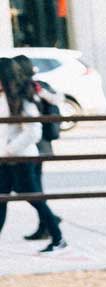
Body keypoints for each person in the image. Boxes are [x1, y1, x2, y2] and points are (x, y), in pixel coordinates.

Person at [0, 57, 64, 252]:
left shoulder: (23, 96)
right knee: (1, 199)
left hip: (21, 158)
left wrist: (8, 150)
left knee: (34, 199)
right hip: (7, 159)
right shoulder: (5, 97)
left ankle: (58, 238)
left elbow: (33, 131)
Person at [14, 53, 62, 240]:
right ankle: (47, 223)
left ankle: (49, 222)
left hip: (35, 144)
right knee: (32, 189)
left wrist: (41, 93)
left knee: (29, 188)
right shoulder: (32, 86)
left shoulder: (32, 87)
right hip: (40, 145)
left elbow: (56, 100)